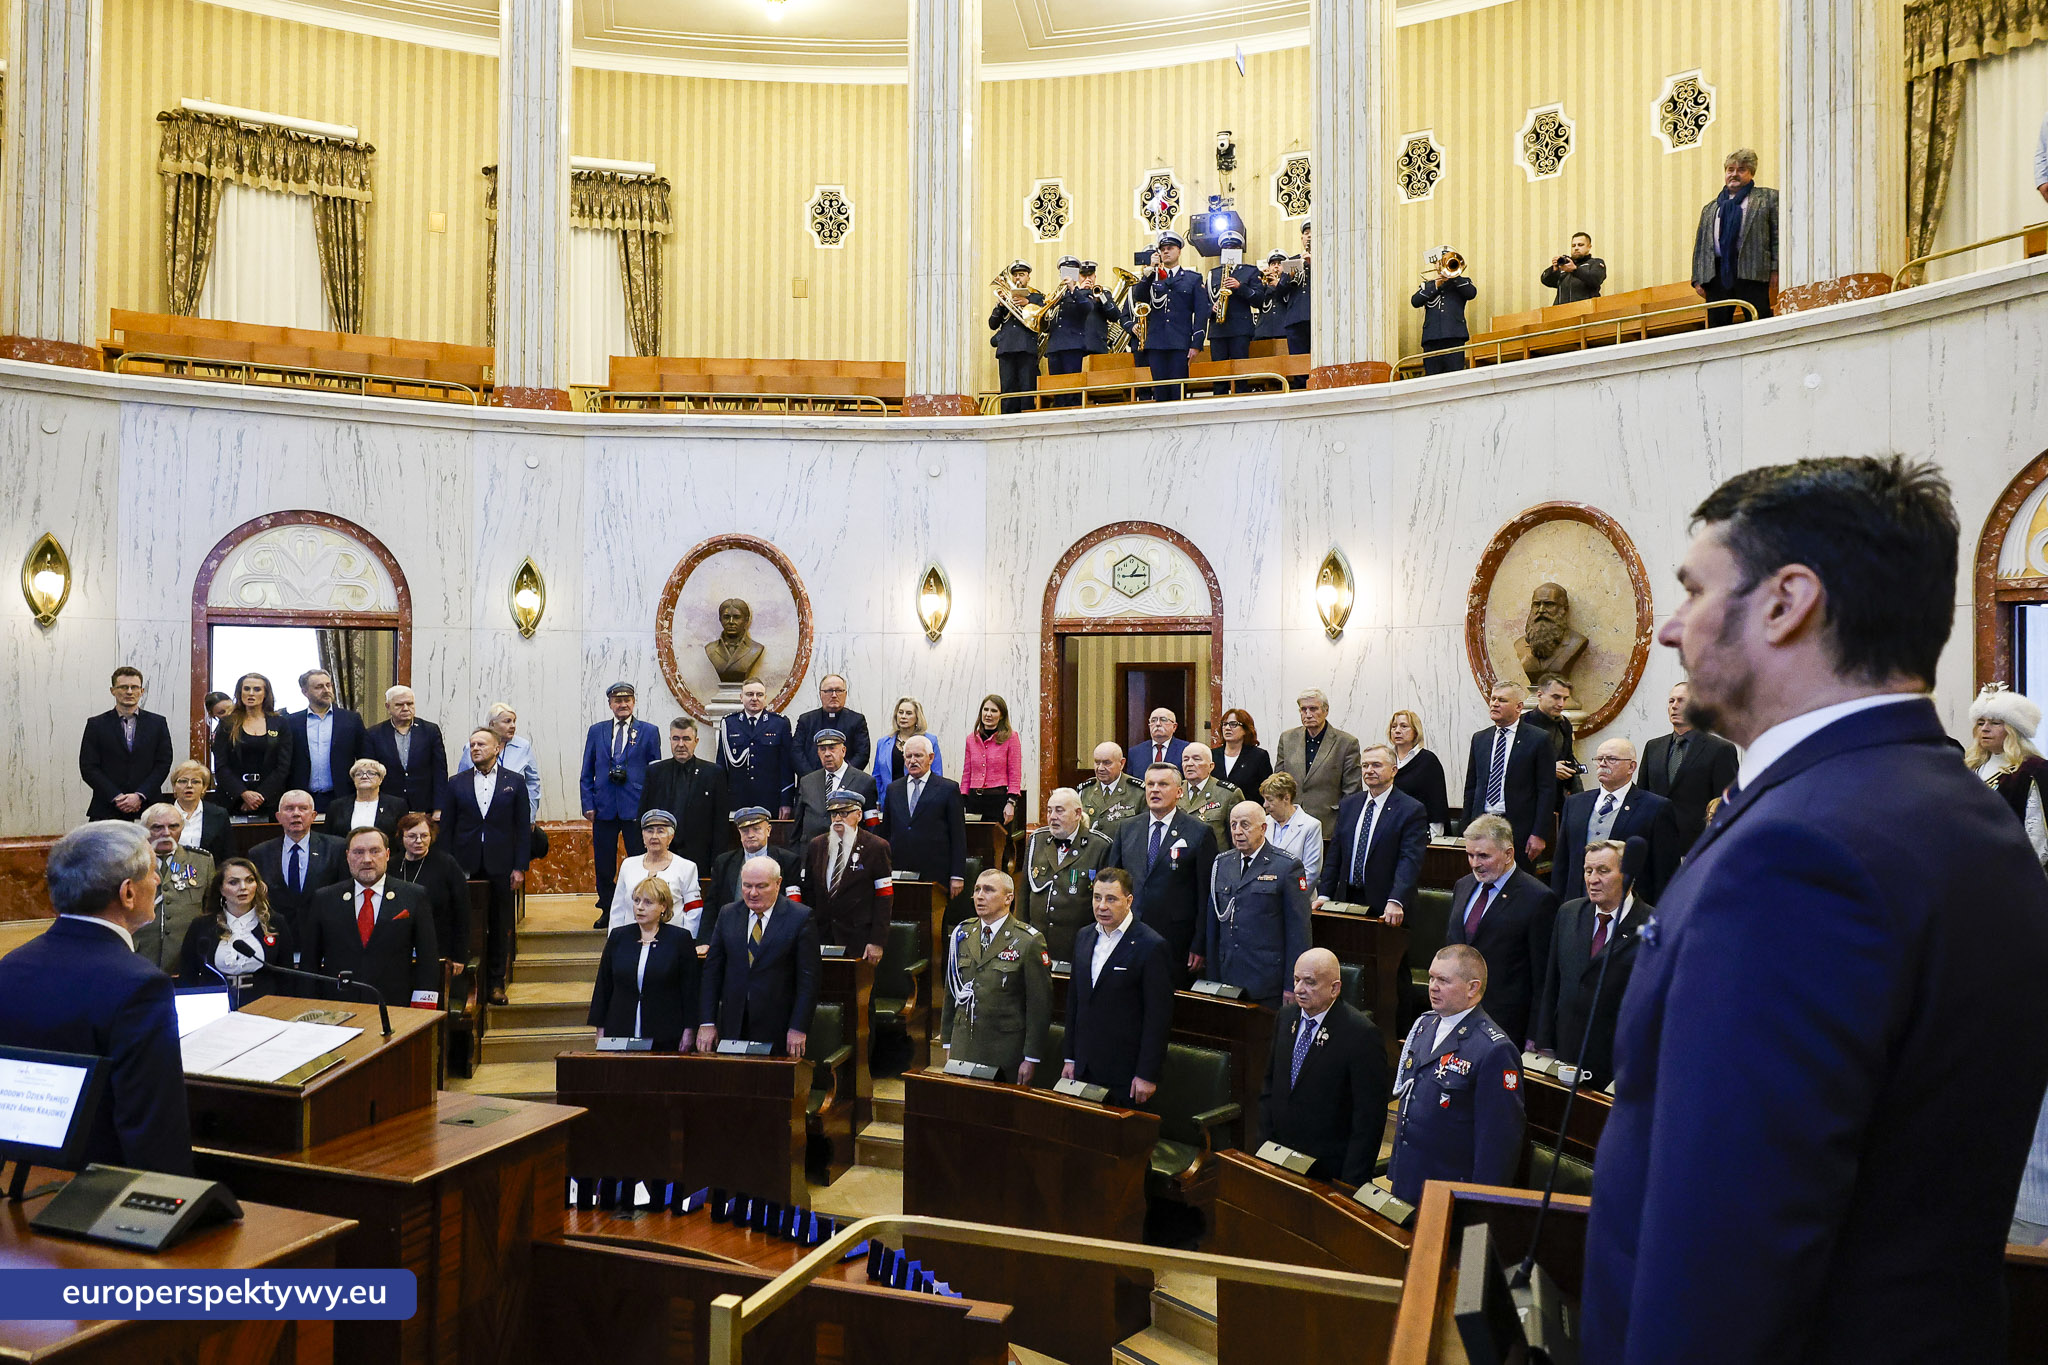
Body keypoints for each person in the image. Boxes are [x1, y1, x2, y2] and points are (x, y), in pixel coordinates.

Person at [1583, 456, 2048, 1364]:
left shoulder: (1797, 857)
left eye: (1695, 589)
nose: (1674, 628)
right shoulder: (1953, 811)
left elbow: (1725, 1258)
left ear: (1787, 600)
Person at [0, 822, 192, 1174]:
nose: (159, 882)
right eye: (152, 872)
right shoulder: (141, 985)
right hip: (98, 1193)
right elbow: (151, 1123)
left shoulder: (9, 967)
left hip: (18, 1183)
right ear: (127, 893)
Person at [1385, 945, 1525, 1207]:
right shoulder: (1424, 1025)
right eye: (1431, 977)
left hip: (1453, 1198)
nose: (1433, 986)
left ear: (1473, 988)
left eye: (1444, 980)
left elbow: (1498, 1148)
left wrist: (1479, 1212)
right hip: (1409, 1182)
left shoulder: (1494, 1049)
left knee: (1468, 1250)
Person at [1259, 948, 1390, 1187]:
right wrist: (1265, 1143)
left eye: (1310, 982)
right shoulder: (1286, 1017)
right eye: (1296, 980)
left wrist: (1351, 1182)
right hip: (1280, 1158)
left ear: (1335, 988)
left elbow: (1368, 1119)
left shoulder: (1361, 1034)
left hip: (1328, 1170)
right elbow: (1271, 1085)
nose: (1299, 989)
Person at [1533, 839, 1642, 1089]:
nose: (1592, 879)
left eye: (1603, 871)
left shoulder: (1653, 925)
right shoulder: (1568, 913)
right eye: (1588, 870)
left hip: (1618, 1064)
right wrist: (1544, 1041)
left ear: (1628, 875)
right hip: (1567, 1055)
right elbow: (1552, 983)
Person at [1442, 814, 1557, 1049]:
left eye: (1483, 855)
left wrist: (1536, 1034)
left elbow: (1543, 977)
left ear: (1508, 854)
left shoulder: (1538, 899)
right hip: (1457, 1016)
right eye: (1470, 855)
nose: (1475, 863)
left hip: (1506, 1026)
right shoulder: (1463, 886)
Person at [1063, 868, 1174, 1105]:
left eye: (1111, 899)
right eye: (1097, 898)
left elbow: (1158, 1017)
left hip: (1125, 1073)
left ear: (1129, 901)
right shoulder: (1083, 937)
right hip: (1083, 1067)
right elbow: (1075, 1002)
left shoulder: (1151, 945)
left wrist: (1147, 1073)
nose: (1102, 906)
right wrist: (1070, 1058)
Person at [302, 826, 440, 1010]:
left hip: (396, 1006)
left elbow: (427, 958)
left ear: (388, 854)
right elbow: (309, 962)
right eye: (358, 852)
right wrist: (309, 1007)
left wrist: (423, 1008)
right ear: (348, 856)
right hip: (337, 1005)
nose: (367, 859)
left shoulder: (413, 896)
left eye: (375, 851)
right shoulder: (325, 898)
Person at [696, 854, 819, 1058]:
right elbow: (712, 973)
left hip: (778, 1027)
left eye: (761, 886)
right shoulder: (727, 914)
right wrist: (707, 1022)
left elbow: (809, 980)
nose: (752, 893)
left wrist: (798, 1027)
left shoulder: (800, 917)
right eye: (747, 886)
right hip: (733, 1024)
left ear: (778, 883)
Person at [1106, 762, 1217, 988]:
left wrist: (1199, 944)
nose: (1154, 790)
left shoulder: (1199, 832)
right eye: (1150, 784)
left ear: (1179, 792)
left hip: (1176, 940)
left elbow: (1205, 893)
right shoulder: (1127, 828)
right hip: (1130, 932)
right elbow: (1113, 883)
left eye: (1163, 784)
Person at [444, 727, 532, 1005]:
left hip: (501, 864)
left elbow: (522, 828)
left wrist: (519, 867)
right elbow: (447, 829)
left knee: (499, 923)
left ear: (497, 748)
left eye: (481, 744)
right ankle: (464, 984)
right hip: (464, 864)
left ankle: (495, 984)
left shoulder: (515, 782)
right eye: (471, 745)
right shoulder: (456, 782)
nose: (475, 748)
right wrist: (447, 866)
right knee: (463, 923)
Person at [941, 869, 1053, 1083]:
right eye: (976, 890)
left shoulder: (1029, 941)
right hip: (963, 1046)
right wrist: (948, 1042)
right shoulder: (962, 934)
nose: (980, 896)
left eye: (989, 890)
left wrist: (1031, 1057)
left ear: (1008, 898)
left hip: (1004, 1051)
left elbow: (1039, 1005)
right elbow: (951, 993)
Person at [1202, 800, 1312, 1008]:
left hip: (1266, 978)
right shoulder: (1221, 863)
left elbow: (1299, 931)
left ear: (1263, 828)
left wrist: (1293, 983)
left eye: (1245, 825)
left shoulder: (1286, 867)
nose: (1237, 831)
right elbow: (1213, 926)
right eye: (1233, 825)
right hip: (1227, 974)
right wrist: (1212, 975)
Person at [1550, 738, 1681, 903]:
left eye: (1611, 759)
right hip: (1579, 905)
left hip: (1629, 908)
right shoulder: (1576, 803)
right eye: (1599, 759)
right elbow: (1562, 862)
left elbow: (1665, 871)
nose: (1603, 764)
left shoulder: (1656, 807)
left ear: (1631, 767)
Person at [1315, 746, 1428, 922]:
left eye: (1376, 765)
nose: (1369, 771)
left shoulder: (1411, 809)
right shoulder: (1349, 805)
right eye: (1365, 766)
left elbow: (1410, 860)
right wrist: (1324, 895)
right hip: (1346, 899)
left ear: (1393, 770)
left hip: (1387, 905)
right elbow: (1335, 854)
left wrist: (1396, 900)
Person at [581, 681, 661, 926]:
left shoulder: (649, 731)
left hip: (635, 808)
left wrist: (651, 808)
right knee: (604, 864)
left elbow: (655, 772)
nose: (623, 704)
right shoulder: (597, 731)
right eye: (617, 700)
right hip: (603, 807)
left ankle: (640, 907)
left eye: (627, 700)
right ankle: (607, 908)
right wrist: (587, 804)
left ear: (634, 702)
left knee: (639, 860)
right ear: (610, 704)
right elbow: (587, 770)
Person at [590, 877, 700, 1052]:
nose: (640, 907)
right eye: (637, 901)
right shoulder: (619, 937)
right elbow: (604, 985)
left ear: (663, 906)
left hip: (665, 1032)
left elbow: (690, 989)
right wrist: (600, 1027)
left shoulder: (680, 939)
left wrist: (689, 1030)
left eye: (648, 902)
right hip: (620, 1027)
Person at [1462, 681, 1560, 870]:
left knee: (1518, 886)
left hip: (1519, 828)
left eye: (1502, 700)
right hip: (1482, 823)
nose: (1494, 704)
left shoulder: (1538, 739)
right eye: (1493, 699)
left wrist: (1539, 833)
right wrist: (1466, 826)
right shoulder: (1480, 738)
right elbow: (1472, 786)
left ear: (1519, 707)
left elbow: (1546, 790)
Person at [1636, 679, 1740, 854]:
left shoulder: (1720, 749)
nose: (1674, 706)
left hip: (1698, 845)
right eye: (1671, 701)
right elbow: (1642, 795)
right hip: (1655, 844)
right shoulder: (1653, 747)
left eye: (1681, 701)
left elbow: (1726, 802)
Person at [179, 856, 296, 1005]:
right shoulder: (201, 925)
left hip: (264, 1006)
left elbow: (286, 977)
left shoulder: (275, 922)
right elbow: (188, 976)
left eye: (249, 880)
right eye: (233, 882)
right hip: (216, 1006)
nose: (243, 887)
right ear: (221, 888)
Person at [1023, 787, 1115, 965]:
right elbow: (1025, 892)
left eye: (1059, 810)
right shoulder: (1037, 840)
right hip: (1038, 945)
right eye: (1049, 810)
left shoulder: (1099, 846)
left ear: (1077, 813)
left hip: (1077, 947)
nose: (1052, 816)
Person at [1690, 147, 1779, 326]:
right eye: (1730, 169)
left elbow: (1777, 235)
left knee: (1758, 322)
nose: (1734, 174)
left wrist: (1776, 268)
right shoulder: (1710, 208)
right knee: (1717, 328)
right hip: (1716, 274)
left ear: (1751, 173)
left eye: (1741, 169)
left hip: (1753, 269)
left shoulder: (1768, 198)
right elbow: (1701, 245)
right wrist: (1697, 279)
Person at [804, 789, 894, 963]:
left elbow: (884, 897)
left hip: (858, 939)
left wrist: (877, 941)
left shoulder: (876, 847)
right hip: (822, 937)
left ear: (859, 815)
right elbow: (810, 893)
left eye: (844, 813)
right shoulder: (817, 845)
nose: (838, 819)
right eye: (834, 814)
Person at [1966, 684, 2048, 865]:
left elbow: (2037, 835)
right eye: (1981, 723)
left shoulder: (2032, 770)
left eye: (1995, 723)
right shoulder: (1970, 768)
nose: (1985, 729)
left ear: (2014, 730)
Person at [79, 666, 172, 821]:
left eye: (134, 687)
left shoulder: (158, 723)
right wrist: (116, 796)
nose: (129, 692)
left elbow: (163, 763)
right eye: (123, 687)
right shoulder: (96, 724)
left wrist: (139, 795)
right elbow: (88, 767)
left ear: (141, 691)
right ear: (112, 690)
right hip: (106, 807)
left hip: (148, 807)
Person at [390, 812, 470, 991]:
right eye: (412, 836)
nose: (418, 841)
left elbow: (462, 912)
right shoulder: (392, 866)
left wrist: (459, 956)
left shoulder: (446, 864)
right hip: (397, 949)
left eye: (424, 835)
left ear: (431, 836)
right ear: (401, 837)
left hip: (439, 948)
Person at [880, 735, 967, 896]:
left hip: (935, 872)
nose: (913, 761)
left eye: (918, 756)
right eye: (908, 756)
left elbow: (958, 836)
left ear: (931, 758)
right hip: (900, 871)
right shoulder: (893, 789)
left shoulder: (948, 789)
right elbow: (886, 832)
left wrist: (957, 875)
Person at [640, 716, 727, 874]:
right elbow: (643, 815)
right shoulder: (654, 772)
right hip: (660, 855)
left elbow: (720, 823)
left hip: (700, 856)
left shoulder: (713, 773)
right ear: (670, 740)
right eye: (676, 738)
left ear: (696, 741)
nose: (681, 744)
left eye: (686, 739)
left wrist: (717, 861)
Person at [249, 790, 345, 931]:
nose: (296, 813)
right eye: (289, 809)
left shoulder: (336, 848)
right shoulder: (259, 853)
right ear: (278, 817)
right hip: (277, 934)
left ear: (313, 816)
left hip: (324, 933)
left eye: (303, 808)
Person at [134, 804, 213, 973]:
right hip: (138, 957)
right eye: (157, 827)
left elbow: (211, 910)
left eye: (173, 826)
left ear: (182, 829)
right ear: (144, 830)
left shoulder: (202, 861)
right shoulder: (129, 863)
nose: (166, 833)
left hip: (187, 958)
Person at [1275, 689, 1363, 840]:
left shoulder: (1346, 743)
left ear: (1325, 710)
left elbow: (1352, 791)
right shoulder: (1287, 739)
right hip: (1289, 824)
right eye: (1303, 709)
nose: (1308, 714)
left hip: (1328, 826)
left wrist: (1344, 826)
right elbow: (1278, 782)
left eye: (1313, 709)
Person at [1135, 229, 1211, 402]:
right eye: (1162, 249)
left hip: (1180, 343)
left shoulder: (1192, 279)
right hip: (1156, 343)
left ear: (1179, 251)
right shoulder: (1153, 278)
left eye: (1170, 248)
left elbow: (1200, 312)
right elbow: (1140, 298)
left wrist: (1196, 343)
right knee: (1160, 393)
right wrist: (1147, 274)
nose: (1166, 251)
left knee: (1178, 392)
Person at [607, 809, 705, 935]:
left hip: (672, 942)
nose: (654, 836)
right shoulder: (628, 865)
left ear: (671, 837)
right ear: (643, 835)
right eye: (649, 831)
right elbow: (618, 908)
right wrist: (614, 940)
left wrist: (687, 942)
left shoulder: (686, 867)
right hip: (631, 939)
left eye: (660, 831)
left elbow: (693, 910)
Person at [708, 808, 805, 935]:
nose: (750, 835)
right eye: (745, 830)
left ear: (768, 830)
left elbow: (794, 904)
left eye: (756, 829)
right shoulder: (723, 862)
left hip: (777, 933)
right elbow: (712, 904)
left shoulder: (788, 861)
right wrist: (705, 940)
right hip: (733, 934)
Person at [285, 668, 367, 815]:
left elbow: (365, 757)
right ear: (305, 691)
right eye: (319, 687)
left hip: (342, 795)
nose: (326, 690)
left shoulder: (351, 720)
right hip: (302, 797)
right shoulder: (291, 722)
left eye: (328, 685)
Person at [213, 672, 293, 820]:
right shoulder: (227, 724)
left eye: (257, 689)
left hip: (270, 800)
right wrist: (243, 794)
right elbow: (221, 765)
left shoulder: (280, 724)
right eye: (246, 689)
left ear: (265, 694)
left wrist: (261, 796)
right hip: (232, 799)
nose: (251, 693)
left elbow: (283, 766)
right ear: (240, 692)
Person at [717, 678, 799, 820]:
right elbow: (721, 766)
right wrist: (720, 802)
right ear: (741, 697)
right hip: (737, 802)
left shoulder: (779, 723)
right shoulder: (729, 723)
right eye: (750, 694)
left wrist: (786, 801)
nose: (754, 699)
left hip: (770, 801)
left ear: (765, 698)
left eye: (759, 695)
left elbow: (787, 767)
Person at [1042, 259, 1123, 403]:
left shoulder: (1101, 294)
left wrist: (1101, 298)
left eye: (1090, 275)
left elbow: (1115, 315)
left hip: (1095, 346)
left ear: (1095, 277)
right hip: (1072, 344)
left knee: (1096, 390)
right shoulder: (1068, 294)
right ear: (1078, 276)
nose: (1087, 278)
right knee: (1066, 388)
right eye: (1083, 275)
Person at [366, 686, 451, 820]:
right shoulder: (374, 734)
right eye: (399, 705)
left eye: (410, 704)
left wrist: (439, 807)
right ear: (388, 707)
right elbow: (371, 773)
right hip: (388, 807)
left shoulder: (430, 731)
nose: (406, 708)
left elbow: (440, 771)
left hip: (424, 807)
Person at [1206, 229, 1271, 389]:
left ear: (1239, 250)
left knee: (1241, 373)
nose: (1230, 251)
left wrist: (1240, 286)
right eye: (1226, 248)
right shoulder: (1213, 274)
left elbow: (1259, 300)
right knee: (1219, 375)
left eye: (1234, 248)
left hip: (1240, 329)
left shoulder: (1250, 271)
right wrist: (1211, 308)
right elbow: (1203, 301)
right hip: (1218, 330)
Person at [792, 727, 878, 846]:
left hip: (850, 852)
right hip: (812, 853)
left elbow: (872, 825)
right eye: (822, 749)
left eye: (832, 748)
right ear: (818, 753)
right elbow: (798, 825)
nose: (827, 754)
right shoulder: (807, 782)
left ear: (843, 751)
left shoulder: (864, 781)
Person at [455, 701, 539, 817]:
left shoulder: (523, 746)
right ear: (492, 724)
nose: (513, 726)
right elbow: (461, 782)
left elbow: (533, 782)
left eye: (514, 721)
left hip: (513, 814)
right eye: (507, 721)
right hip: (478, 814)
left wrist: (531, 815)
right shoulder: (473, 746)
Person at [990, 259, 1045, 414]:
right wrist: (999, 306)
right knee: (1007, 390)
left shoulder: (1037, 298)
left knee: (1027, 389)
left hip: (1026, 348)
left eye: (1022, 274)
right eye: (1015, 275)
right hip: (1006, 349)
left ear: (1028, 277)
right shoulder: (1005, 297)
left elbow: (1043, 319)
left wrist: (1027, 303)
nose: (1018, 279)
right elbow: (992, 324)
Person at [960, 694, 1023, 829]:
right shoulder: (971, 739)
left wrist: (1011, 802)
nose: (988, 714)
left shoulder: (1011, 737)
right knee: (974, 844)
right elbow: (967, 772)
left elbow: (1015, 772)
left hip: (998, 800)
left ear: (1001, 715)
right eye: (985, 709)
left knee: (997, 846)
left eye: (994, 711)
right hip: (974, 801)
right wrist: (962, 799)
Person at [1410, 252, 1477, 374]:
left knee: (1455, 377)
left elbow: (1471, 293)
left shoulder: (1461, 282)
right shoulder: (1427, 285)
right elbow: (1415, 301)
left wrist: (1454, 276)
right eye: (1439, 262)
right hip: (1432, 339)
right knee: (1432, 379)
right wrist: (1436, 284)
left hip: (1454, 337)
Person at [1523, 674, 1584, 806]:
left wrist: (1579, 799)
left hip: (1557, 799)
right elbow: (1513, 766)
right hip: (1528, 801)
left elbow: (1568, 757)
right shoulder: (1522, 724)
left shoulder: (1564, 724)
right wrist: (1549, 769)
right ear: (1539, 695)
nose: (1561, 704)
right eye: (1556, 697)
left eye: (1565, 698)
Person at [1387, 710, 1451, 834]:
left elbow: (1437, 802)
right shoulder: (1385, 759)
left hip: (1418, 830)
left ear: (1415, 731)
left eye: (1404, 726)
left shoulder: (1428, 760)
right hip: (1390, 830)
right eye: (1394, 727)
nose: (1397, 730)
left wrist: (1435, 838)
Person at [793, 674, 871, 774]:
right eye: (829, 691)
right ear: (820, 694)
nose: (834, 695)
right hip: (810, 784)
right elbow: (796, 753)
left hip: (846, 783)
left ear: (845, 694)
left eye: (838, 690)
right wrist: (812, 780)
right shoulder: (806, 720)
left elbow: (862, 754)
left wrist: (843, 776)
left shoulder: (857, 720)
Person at [874, 697, 942, 811]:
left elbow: (937, 773)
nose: (903, 716)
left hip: (919, 799)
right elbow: (877, 776)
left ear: (917, 717)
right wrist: (877, 800)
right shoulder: (883, 743)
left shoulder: (930, 740)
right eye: (900, 712)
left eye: (908, 713)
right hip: (889, 800)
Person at [1259, 771, 1325, 888]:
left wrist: (1292, 898)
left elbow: (1311, 872)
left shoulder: (1311, 826)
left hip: (1296, 898)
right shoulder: (1264, 822)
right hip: (1264, 896)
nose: (1265, 805)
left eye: (1270, 800)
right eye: (1264, 800)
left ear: (1286, 798)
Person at [167, 758, 233, 864]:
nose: (189, 786)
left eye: (195, 782)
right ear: (174, 787)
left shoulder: (219, 814)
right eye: (183, 781)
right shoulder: (161, 814)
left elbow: (228, 855)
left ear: (204, 787)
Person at [1176, 742, 1242, 847]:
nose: (1189, 763)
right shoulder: (1174, 790)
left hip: (1214, 860)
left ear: (1211, 766)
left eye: (1196, 759)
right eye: (1185, 759)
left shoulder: (1227, 794)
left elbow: (1237, 838)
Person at [1079, 742, 1145, 833]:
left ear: (1121, 764)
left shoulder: (1138, 792)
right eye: (1097, 762)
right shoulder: (1086, 790)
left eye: (1107, 763)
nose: (1100, 768)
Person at [336, 758, 407, 842]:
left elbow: (402, 838)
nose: (364, 776)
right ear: (354, 779)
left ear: (380, 779)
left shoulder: (397, 805)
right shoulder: (337, 806)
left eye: (371, 773)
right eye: (359, 774)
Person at [1214, 708, 1272, 796]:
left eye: (1233, 724)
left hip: (1249, 807)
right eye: (1225, 724)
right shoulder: (1212, 755)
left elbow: (1267, 790)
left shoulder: (1258, 757)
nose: (1227, 728)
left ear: (1245, 729)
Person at [1540, 231, 1606, 305]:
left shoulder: (1596, 262)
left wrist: (1575, 270)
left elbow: (1595, 279)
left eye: (1580, 245)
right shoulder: (1565, 265)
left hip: (1587, 309)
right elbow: (1546, 281)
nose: (1576, 248)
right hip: (1561, 312)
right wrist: (1554, 270)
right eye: (1573, 245)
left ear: (1589, 247)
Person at [1131, 706, 1189, 771]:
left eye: (1163, 720)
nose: (1158, 724)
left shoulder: (1186, 749)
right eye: (1153, 720)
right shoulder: (1135, 752)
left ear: (1174, 727)